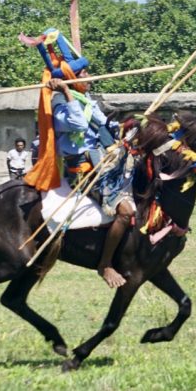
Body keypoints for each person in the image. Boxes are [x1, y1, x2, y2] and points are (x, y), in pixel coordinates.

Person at [47, 66, 131, 288]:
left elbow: (103, 123)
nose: (89, 76)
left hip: (103, 163)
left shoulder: (85, 99)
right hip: (82, 169)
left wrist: (128, 126)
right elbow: (79, 124)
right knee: (125, 212)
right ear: (71, 79)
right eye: (83, 74)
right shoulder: (59, 104)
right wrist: (65, 92)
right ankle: (105, 264)